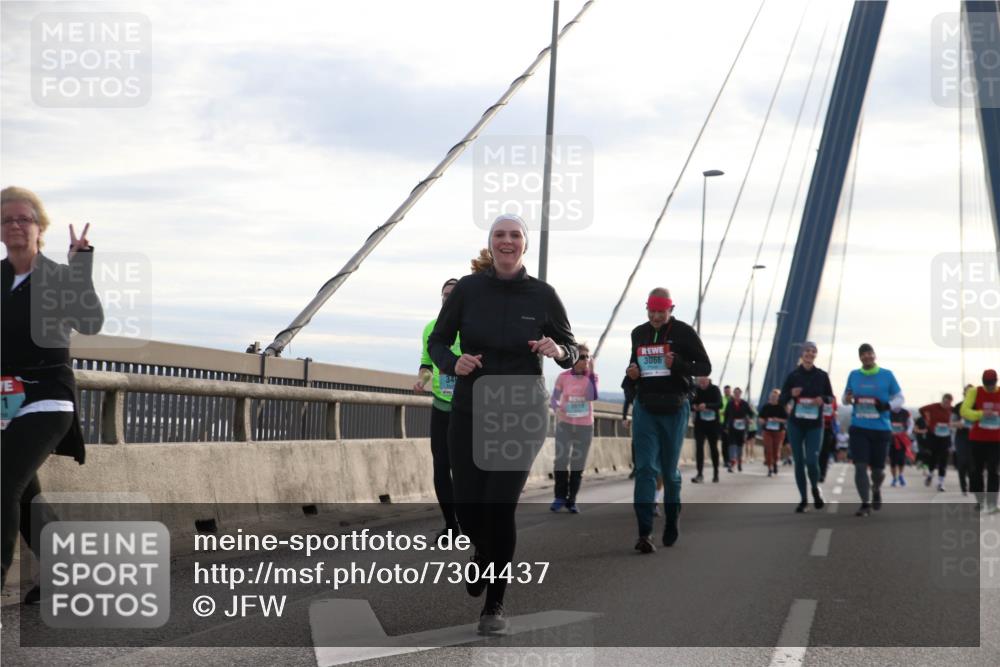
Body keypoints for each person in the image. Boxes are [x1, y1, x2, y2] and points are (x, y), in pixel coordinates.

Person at [428, 213, 578, 634]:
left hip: (522, 413)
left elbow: (570, 346)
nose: (507, 241)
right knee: (469, 509)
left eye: (515, 235)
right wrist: (451, 361)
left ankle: (494, 604)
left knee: (500, 508)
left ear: (524, 244)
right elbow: (437, 341)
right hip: (471, 410)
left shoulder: (544, 295)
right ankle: (481, 553)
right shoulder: (469, 289)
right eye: (499, 235)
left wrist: (558, 350)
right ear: (490, 243)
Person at [1, 186, 104, 602]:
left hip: (48, 395)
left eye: (24, 218)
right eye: (7, 219)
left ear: (39, 227)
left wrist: (80, 268)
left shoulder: (57, 276)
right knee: (24, 492)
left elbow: (90, 321)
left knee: (3, 480)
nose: (15, 225)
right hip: (7, 397)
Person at [623, 288, 711, 553]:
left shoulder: (684, 333)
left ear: (671, 310)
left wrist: (680, 363)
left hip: (675, 407)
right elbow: (632, 371)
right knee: (645, 470)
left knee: (669, 474)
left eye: (661, 311)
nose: (656, 316)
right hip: (645, 407)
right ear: (646, 308)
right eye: (652, 310)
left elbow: (704, 368)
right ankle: (644, 533)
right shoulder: (638, 333)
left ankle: (672, 519)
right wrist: (632, 375)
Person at [414, 278, 462, 542]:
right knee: (441, 466)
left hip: (468, 409)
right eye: (445, 295)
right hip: (441, 406)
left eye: (454, 295)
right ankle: (451, 525)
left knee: (464, 468)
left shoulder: (471, 328)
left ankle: (471, 521)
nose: (448, 298)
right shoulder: (431, 328)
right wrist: (422, 380)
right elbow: (425, 364)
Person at [843, 343, 904, 517]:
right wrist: (847, 398)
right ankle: (865, 504)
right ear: (860, 357)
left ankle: (876, 487)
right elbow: (845, 399)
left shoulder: (887, 375)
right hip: (859, 427)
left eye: (870, 353)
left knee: (878, 470)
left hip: (881, 429)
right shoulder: (853, 375)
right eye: (863, 354)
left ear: (874, 355)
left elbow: (900, 398)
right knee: (860, 467)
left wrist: (887, 406)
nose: (867, 356)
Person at [779, 341, 834, 512]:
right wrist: (790, 394)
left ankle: (815, 489)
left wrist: (822, 399)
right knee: (799, 462)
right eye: (807, 351)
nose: (810, 353)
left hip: (815, 425)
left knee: (811, 460)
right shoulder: (793, 376)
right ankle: (803, 499)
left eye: (813, 351)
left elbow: (830, 398)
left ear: (815, 355)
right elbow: (782, 399)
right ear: (802, 354)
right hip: (796, 423)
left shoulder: (822, 376)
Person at [549, 343, 598, 513]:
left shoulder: (592, 377)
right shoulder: (563, 377)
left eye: (587, 357)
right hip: (565, 424)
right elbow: (554, 399)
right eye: (581, 356)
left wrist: (591, 373)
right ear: (574, 358)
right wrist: (558, 409)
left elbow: (592, 396)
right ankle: (559, 497)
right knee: (561, 460)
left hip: (585, 426)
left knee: (577, 464)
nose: (585, 360)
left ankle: (572, 500)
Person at [960, 369, 999, 513]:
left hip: (996, 439)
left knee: (993, 471)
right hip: (978, 438)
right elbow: (964, 411)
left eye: (991, 384)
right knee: (976, 471)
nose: (989, 387)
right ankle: (980, 500)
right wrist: (981, 413)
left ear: (996, 381)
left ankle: (992, 503)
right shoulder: (974, 392)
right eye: (986, 384)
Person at [919, 394, 955, 492]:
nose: (946, 405)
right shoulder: (933, 407)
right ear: (942, 400)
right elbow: (921, 410)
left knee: (943, 459)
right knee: (933, 457)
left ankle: (941, 483)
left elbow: (958, 417)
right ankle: (930, 474)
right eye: (945, 402)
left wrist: (953, 424)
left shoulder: (952, 409)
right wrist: (927, 420)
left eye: (948, 403)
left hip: (945, 436)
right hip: (933, 435)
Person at [691, 376, 723, 483]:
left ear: (708, 380)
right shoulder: (696, 389)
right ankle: (699, 474)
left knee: (713, 448)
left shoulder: (715, 389)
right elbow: (689, 402)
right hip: (700, 424)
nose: (702, 384)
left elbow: (720, 404)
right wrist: (694, 407)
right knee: (699, 447)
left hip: (713, 424)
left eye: (704, 381)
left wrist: (707, 405)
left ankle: (716, 473)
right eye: (700, 381)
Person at [758, 388, 787, 478]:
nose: (773, 398)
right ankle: (769, 468)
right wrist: (764, 421)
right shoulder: (765, 407)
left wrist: (777, 420)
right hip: (767, 431)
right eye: (772, 396)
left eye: (775, 397)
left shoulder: (781, 407)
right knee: (768, 449)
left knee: (776, 450)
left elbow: (786, 420)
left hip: (779, 432)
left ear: (778, 398)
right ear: (769, 397)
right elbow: (760, 418)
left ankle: (775, 463)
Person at [723, 387, 752, 472]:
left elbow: (751, 413)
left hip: (742, 428)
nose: (736, 394)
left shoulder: (745, 403)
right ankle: (732, 462)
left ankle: (739, 462)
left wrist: (749, 419)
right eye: (735, 393)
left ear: (740, 394)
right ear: (734, 394)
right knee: (732, 444)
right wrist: (725, 426)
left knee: (739, 446)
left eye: (738, 393)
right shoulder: (730, 403)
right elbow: (726, 415)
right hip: (732, 427)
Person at [953, 385, 974, 496]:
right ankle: (963, 487)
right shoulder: (958, 406)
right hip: (961, 437)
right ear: (964, 393)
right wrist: (959, 424)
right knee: (962, 462)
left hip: (975, 437)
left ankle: (972, 484)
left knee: (973, 462)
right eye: (967, 392)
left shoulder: (978, 406)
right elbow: (951, 423)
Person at [888, 406, 913, 487]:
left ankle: (901, 475)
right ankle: (894, 478)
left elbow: (911, 423)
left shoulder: (906, 412)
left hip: (902, 439)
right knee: (893, 461)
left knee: (901, 459)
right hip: (891, 439)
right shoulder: (888, 412)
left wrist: (908, 432)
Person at [818, 395, 839, 482]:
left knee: (825, 452)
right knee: (816, 451)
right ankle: (816, 471)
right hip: (815, 427)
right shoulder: (815, 395)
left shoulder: (833, 398)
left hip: (827, 428)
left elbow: (835, 413)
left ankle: (822, 474)